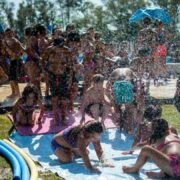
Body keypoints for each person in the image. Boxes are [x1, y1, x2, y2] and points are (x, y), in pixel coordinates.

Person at [44, 37, 73, 125]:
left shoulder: (66, 50)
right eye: (58, 46)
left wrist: (70, 77)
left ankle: (63, 117)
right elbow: (43, 60)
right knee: (54, 98)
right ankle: (56, 117)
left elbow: (71, 64)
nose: (60, 48)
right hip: (52, 75)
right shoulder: (49, 50)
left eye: (61, 46)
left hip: (63, 76)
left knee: (64, 99)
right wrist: (45, 72)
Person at [4, 28, 25, 98]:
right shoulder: (9, 41)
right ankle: (13, 93)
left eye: (9, 33)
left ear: (12, 33)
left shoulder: (14, 40)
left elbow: (22, 50)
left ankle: (18, 94)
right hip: (13, 60)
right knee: (11, 78)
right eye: (7, 33)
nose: (8, 35)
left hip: (16, 60)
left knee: (13, 78)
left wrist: (18, 55)